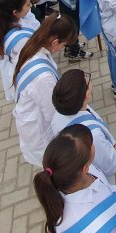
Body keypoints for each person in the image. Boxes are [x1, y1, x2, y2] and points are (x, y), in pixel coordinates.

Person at [33, 125, 116, 233]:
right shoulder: (96, 228)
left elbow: (108, 189)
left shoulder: (68, 179)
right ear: (84, 168)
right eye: (91, 144)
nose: (93, 144)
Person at [13, 14, 79, 167]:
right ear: (55, 42)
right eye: (63, 46)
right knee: (54, 165)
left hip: (32, 118)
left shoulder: (33, 47)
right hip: (40, 130)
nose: (62, 49)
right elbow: (53, 113)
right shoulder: (43, 78)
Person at [50, 69, 116, 185]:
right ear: (87, 94)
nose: (89, 80)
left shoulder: (58, 116)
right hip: (99, 181)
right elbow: (111, 164)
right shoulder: (92, 136)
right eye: (87, 79)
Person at [0, 0, 35, 102]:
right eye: (27, 5)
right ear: (15, 12)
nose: (31, 7)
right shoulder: (19, 39)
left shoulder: (5, 23)